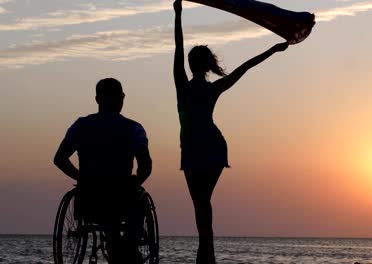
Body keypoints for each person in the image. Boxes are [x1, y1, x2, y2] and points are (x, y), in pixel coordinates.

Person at [173, 1, 288, 263]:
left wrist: (177, 15)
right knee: (202, 202)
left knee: (200, 202)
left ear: (193, 65)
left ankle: (206, 253)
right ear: (207, 65)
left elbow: (178, 47)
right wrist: (272, 49)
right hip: (208, 147)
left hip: (200, 148)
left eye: (191, 60)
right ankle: (206, 252)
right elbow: (245, 67)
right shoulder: (210, 88)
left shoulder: (183, 86)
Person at [53, 78, 152, 264]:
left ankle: (116, 246)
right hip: (122, 199)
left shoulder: (81, 125)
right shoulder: (133, 128)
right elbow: (146, 166)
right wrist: (135, 182)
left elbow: (59, 159)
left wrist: (80, 177)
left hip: (88, 200)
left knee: (115, 200)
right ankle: (128, 246)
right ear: (122, 98)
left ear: (98, 99)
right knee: (136, 195)